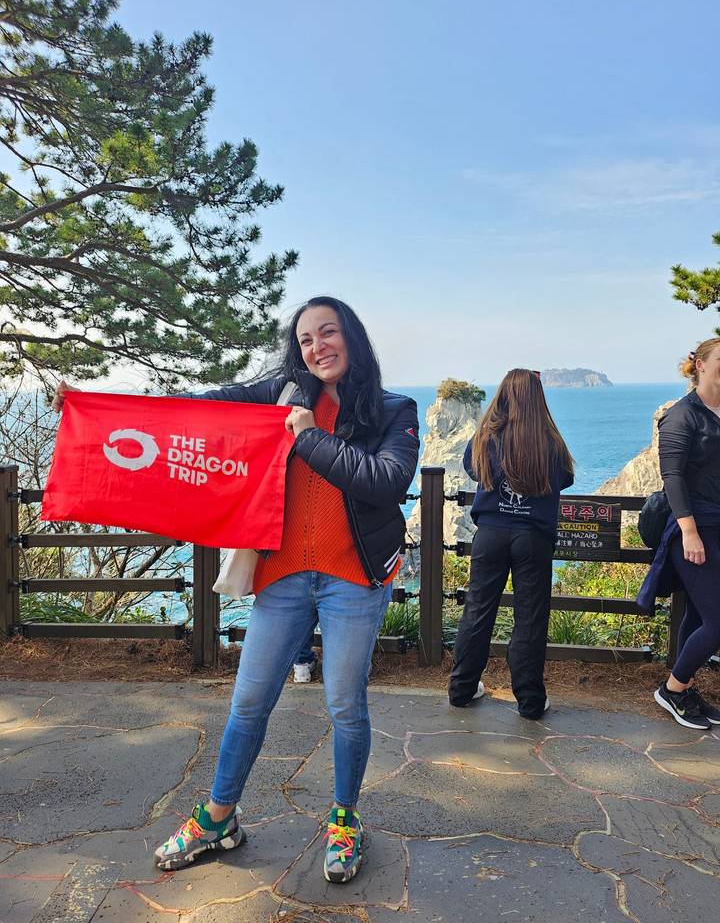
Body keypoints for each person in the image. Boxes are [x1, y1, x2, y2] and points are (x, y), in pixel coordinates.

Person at [55, 296, 419, 883]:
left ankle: (345, 820)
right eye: (305, 338)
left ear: (353, 337)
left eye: (329, 332)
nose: (318, 346)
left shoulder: (393, 410)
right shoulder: (282, 393)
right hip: (281, 577)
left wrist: (306, 439)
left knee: (345, 705)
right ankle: (219, 817)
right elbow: (197, 410)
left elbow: (386, 481)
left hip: (354, 579)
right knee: (248, 701)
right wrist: (99, 408)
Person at [448, 369, 574, 719]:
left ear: (503, 394)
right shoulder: (549, 441)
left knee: (477, 611)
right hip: (532, 539)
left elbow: (472, 470)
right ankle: (530, 701)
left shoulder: (487, 437)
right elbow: (566, 477)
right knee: (530, 618)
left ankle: (462, 689)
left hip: (490, 534)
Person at [638, 338, 720, 729]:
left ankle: (683, 689)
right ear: (700, 365)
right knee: (718, 620)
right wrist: (689, 532)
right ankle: (671, 690)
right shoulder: (683, 415)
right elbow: (671, 476)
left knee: (701, 613)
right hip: (692, 530)